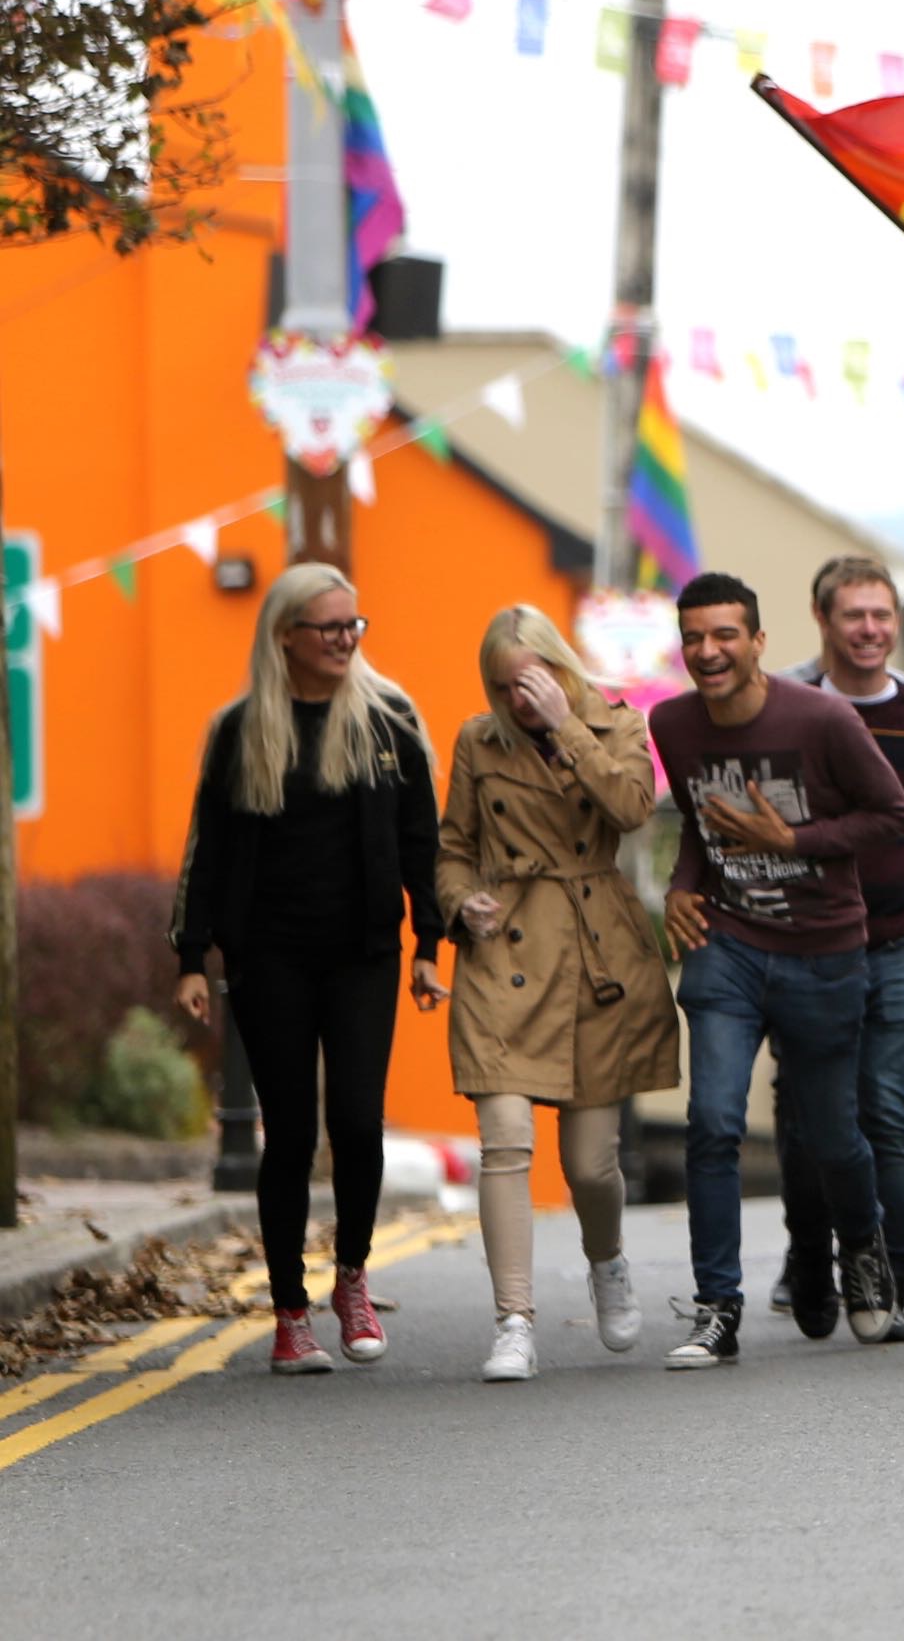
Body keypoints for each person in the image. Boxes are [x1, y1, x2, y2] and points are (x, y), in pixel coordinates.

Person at [172, 565, 443, 1375]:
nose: (344, 640)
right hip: (269, 957)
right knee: (288, 1133)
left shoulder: (389, 720)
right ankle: (289, 1311)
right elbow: (207, 853)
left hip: (362, 952)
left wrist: (430, 941)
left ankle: (351, 1278)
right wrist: (192, 955)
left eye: (354, 626)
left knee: (358, 1122)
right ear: (284, 634)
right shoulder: (240, 729)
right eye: (328, 627)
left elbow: (421, 841)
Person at [651, 572, 904, 1369]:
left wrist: (792, 843)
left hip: (824, 950)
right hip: (728, 946)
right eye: (694, 637)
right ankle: (716, 1304)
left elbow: (893, 816)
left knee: (834, 1135)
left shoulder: (822, 719)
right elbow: (702, 825)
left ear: (759, 642)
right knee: (713, 1123)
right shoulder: (672, 721)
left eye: (725, 634)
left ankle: (861, 1246)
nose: (708, 651)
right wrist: (677, 889)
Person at [431, 605, 673, 1381]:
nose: (516, 700)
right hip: (505, 951)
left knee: (592, 1164)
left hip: (597, 952)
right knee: (504, 1142)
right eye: (502, 687)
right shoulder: (478, 738)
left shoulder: (615, 724)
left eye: (528, 681)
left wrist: (568, 726)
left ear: (558, 666)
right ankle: (514, 1318)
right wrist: (458, 901)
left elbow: (633, 809)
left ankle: (607, 1262)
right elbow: (454, 848)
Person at [766, 555, 904, 1345]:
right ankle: (811, 1254)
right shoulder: (790, 710)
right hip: (804, 944)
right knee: (808, 1118)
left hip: (901, 935)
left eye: (882, 615)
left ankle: (886, 1276)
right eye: (854, 616)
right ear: (822, 619)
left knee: (890, 1112)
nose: (870, 629)